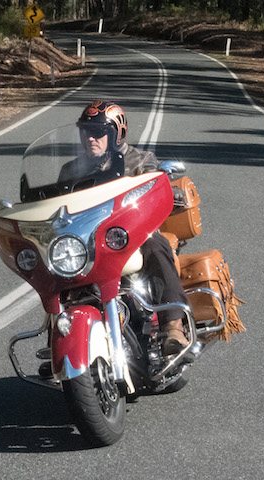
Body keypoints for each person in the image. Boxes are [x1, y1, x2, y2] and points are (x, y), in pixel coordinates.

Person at [70, 100, 190, 355]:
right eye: (87, 132)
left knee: (156, 244)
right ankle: (63, 337)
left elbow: (157, 188)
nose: (92, 138)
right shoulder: (71, 170)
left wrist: (168, 189)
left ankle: (173, 326)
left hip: (130, 236)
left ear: (117, 133)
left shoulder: (140, 161)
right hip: (87, 243)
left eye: (100, 132)